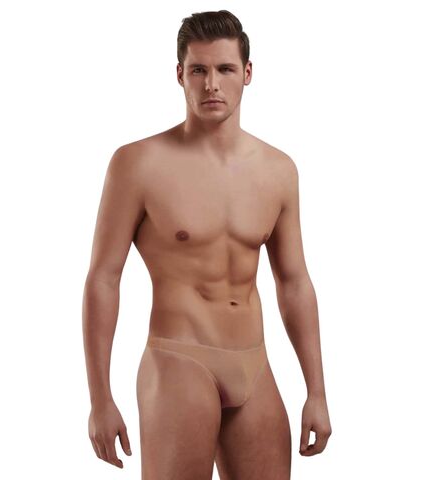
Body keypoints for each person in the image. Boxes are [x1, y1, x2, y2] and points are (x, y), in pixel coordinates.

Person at [82, 9, 331, 479]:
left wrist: (316, 391)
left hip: (254, 364)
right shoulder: (138, 164)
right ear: (180, 74)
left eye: (225, 69)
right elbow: (103, 278)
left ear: (248, 73)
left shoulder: (278, 171)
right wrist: (100, 399)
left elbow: (294, 282)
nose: (211, 84)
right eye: (198, 70)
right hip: (180, 358)